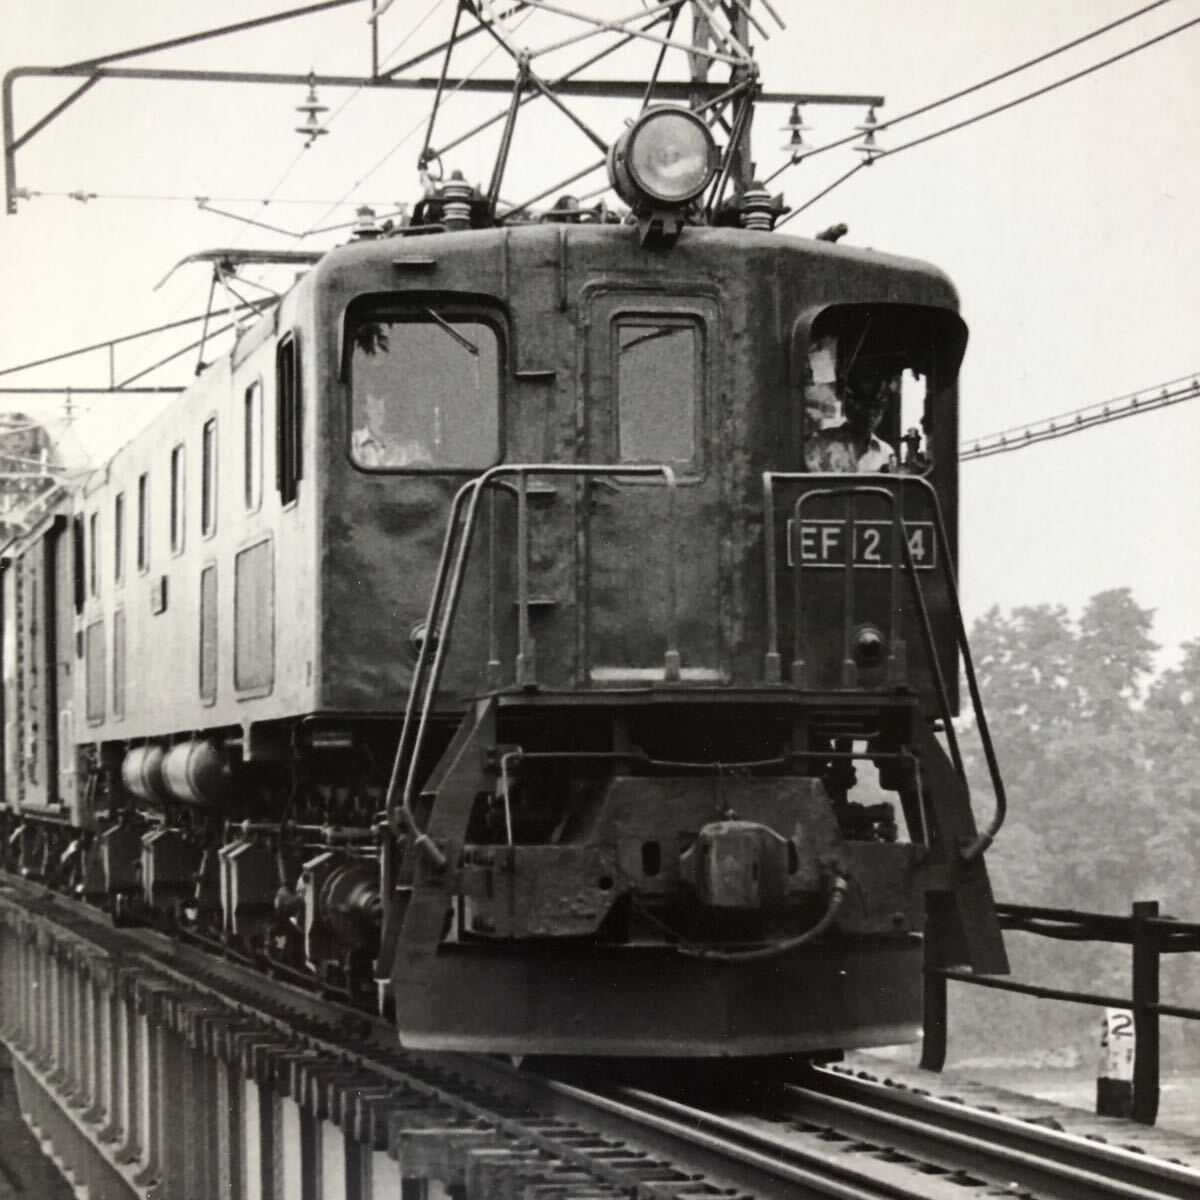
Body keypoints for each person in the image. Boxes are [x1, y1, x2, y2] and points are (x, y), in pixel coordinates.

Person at [804, 356, 899, 472]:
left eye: (877, 407)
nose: (871, 413)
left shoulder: (886, 454)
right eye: (864, 405)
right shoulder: (820, 444)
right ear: (849, 406)